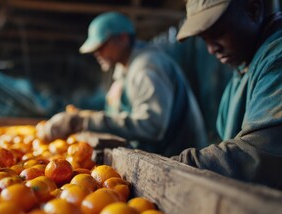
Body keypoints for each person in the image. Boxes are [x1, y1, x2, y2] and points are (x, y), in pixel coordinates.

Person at [38, 12, 207, 157]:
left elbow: (152, 125)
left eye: (102, 45)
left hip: (177, 160)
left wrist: (84, 122)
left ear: (123, 38)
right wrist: (84, 116)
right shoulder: (124, 69)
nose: (97, 52)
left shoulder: (147, 66)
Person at [173, 0, 282, 189]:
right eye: (203, 39)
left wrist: (177, 166)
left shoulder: (276, 59)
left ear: (253, 9)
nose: (211, 49)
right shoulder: (244, 66)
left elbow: (259, 152)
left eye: (217, 33)